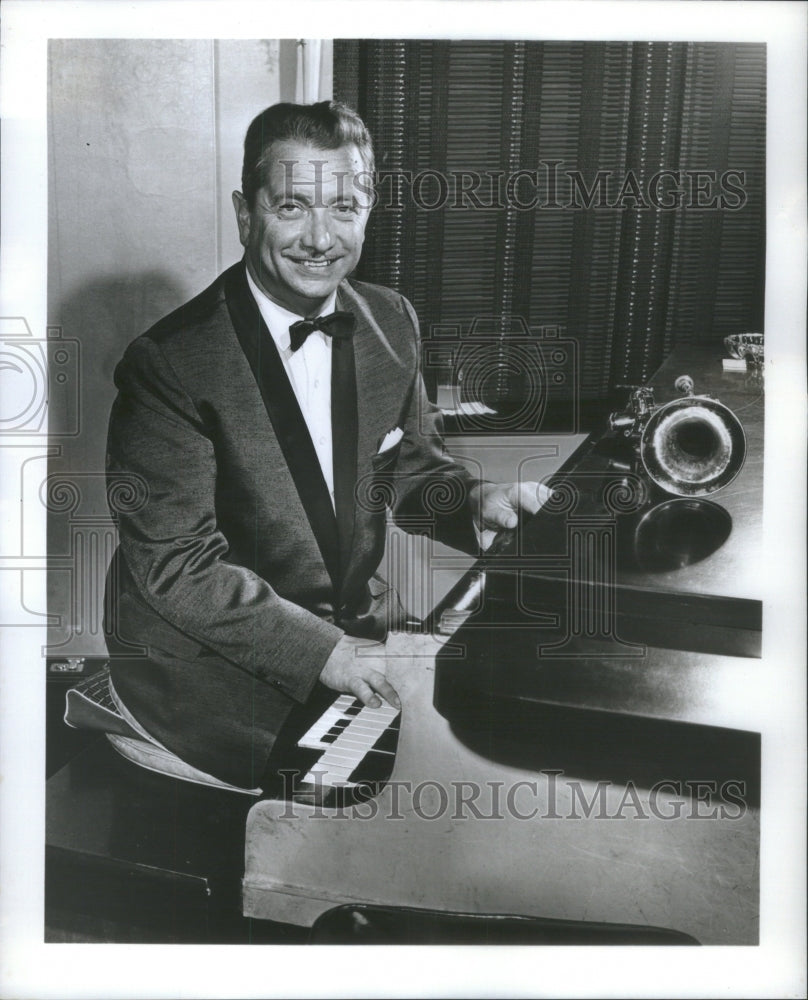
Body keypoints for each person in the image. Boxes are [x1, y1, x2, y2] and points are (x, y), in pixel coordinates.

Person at [104, 101, 548, 790]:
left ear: (368, 210)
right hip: (202, 670)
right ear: (246, 213)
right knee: (376, 797)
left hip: (353, 627)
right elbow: (178, 569)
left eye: (343, 206)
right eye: (292, 206)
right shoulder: (168, 364)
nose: (320, 238)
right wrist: (331, 655)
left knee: (492, 747)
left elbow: (411, 472)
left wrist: (477, 501)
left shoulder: (391, 320)